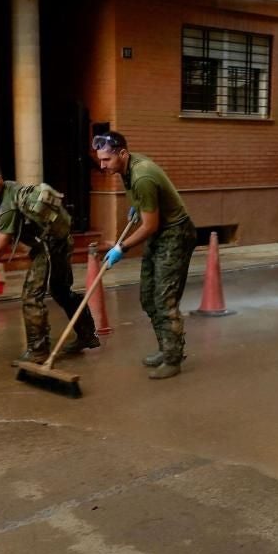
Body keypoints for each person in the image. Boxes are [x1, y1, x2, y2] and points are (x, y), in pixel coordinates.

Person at [0, 158, 98, 363]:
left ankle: (38, 350)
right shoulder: (9, 188)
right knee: (61, 291)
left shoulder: (8, 206)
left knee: (31, 296)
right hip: (61, 242)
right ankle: (87, 335)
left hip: (49, 247)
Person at [92, 125, 197, 379]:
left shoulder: (142, 176)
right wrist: (138, 206)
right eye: (100, 160)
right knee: (148, 297)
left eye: (107, 159)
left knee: (164, 299)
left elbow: (150, 226)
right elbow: (149, 210)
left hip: (175, 234)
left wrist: (121, 247)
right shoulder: (127, 168)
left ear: (123, 153)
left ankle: (173, 358)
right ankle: (165, 347)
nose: (103, 166)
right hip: (161, 232)